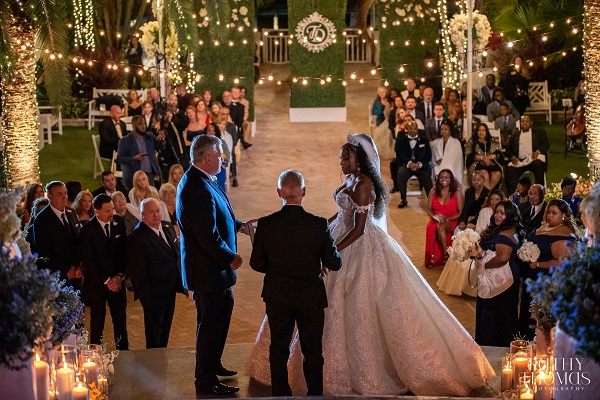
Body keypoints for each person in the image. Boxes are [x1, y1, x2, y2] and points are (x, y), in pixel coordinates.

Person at [247, 133, 493, 396]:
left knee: (360, 304)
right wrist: (324, 228)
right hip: (341, 232)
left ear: (359, 159)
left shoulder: (364, 184)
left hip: (359, 247)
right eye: (341, 157)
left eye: (346, 157)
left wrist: (331, 249)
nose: (341, 161)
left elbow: (360, 229)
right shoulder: (352, 178)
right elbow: (344, 213)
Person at [249, 170, 342, 396]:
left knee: (278, 349)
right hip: (310, 296)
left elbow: (256, 263)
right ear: (304, 192)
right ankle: (314, 395)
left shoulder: (266, 224)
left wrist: (276, 268)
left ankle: (281, 394)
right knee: (312, 351)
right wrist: (318, 260)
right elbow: (335, 263)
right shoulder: (318, 224)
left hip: (278, 296)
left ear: (279, 192)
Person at [177, 134, 255, 395]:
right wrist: (229, 257)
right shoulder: (196, 188)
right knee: (209, 325)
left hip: (214, 272)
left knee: (221, 316)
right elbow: (207, 234)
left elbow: (221, 216)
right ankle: (206, 381)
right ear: (207, 157)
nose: (224, 158)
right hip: (207, 271)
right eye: (220, 154)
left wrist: (240, 226)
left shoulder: (203, 180)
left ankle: (214, 363)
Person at [128, 198, 187, 348]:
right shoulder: (137, 237)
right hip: (153, 295)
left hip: (170, 291)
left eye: (158, 211)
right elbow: (138, 271)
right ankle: (154, 364)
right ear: (142, 215)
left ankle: (162, 360)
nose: (156, 215)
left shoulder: (167, 227)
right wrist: (146, 298)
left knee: (165, 331)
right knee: (154, 335)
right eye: (151, 212)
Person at [518, 199, 579, 340]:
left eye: (554, 213)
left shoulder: (564, 233)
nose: (549, 216)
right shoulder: (545, 227)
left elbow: (561, 263)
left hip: (547, 283)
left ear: (563, 215)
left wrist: (538, 264)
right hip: (533, 279)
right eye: (548, 212)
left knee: (541, 319)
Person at [79, 194, 129, 349]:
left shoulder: (119, 223)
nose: (111, 213)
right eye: (107, 211)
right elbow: (88, 261)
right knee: (97, 323)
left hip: (117, 283)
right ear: (96, 211)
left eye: (112, 209)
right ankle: (95, 354)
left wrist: (120, 276)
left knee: (120, 322)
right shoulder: (87, 230)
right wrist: (108, 281)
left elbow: (124, 253)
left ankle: (124, 352)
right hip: (97, 285)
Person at [469, 200, 520, 347]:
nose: (497, 216)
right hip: (500, 279)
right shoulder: (507, 229)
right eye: (497, 212)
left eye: (502, 213)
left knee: (495, 316)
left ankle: (492, 347)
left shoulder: (506, 234)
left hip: (500, 282)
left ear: (510, 215)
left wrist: (483, 263)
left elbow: (503, 258)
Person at [437, 189, 505, 297]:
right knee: (461, 257)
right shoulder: (484, 211)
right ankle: (458, 287)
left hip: (494, 244)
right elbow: (479, 229)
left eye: (497, 199)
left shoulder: (503, 214)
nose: (494, 202)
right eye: (492, 199)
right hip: (482, 239)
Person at [28, 181, 82, 291]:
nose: (64, 197)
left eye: (65, 193)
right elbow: (42, 252)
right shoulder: (42, 219)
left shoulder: (71, 212)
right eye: (60, 194)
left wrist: (80, 265)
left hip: (76, 275)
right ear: (50, 197)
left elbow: (78, 240)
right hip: (58, 278)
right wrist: (66, 269)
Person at [424, 169, 464, 268]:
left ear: (451, 179)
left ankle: (446, 256)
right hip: (436, 218)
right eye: (441, 177)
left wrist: (447, 219)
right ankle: (432, 258)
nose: (444, 179)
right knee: (431, 226)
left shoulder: (457, 192)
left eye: (447, 177)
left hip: (452, 219)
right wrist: (434, 217)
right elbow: (428, 209)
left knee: (440, 227)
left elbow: (460, 212)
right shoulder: (433, 191)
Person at [116, 115, 165, 190]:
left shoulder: (150, 136)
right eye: (140, 124)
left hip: (149, 174)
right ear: (133, 126)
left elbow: (161, 147)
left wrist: (162, 140)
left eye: (144, 124)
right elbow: (120, 159)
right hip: (134, 176)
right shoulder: (125, 140)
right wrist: (133, 158)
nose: (143, 126)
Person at [505, 115, 549, 195]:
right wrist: (512, 156)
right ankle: (512, 196)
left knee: (538, 165)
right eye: (523, 121)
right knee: (510, 170)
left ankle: (539, 192)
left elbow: (546, 144)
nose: (524, 123)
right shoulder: (515, 135)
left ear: (531, 123)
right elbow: (508, 149)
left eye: (527, 121)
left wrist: (537, 152)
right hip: (520, 161)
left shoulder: (539, 132)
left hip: (533, 159)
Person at [395, 120, 433, 208]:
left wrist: (419, 164)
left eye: (414, 128)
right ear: (406, 129)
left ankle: (431, 201)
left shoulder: (424, 140)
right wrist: (409, 163)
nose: (412, 130)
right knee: (401, 173)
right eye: (410, 128)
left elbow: (428, 156)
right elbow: (399, 155)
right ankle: (403, 198)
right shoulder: (401, 141)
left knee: (427, 177)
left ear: (417, 129)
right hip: (407, 166)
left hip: (421, 167)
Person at [465, 123, 502, 190]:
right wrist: (481, 158)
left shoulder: (493, 141)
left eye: (483, 130)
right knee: (485, 174)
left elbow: (499, 154)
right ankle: (487, 195)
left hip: (491, 164)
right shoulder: (472, 142)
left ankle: (487, 192)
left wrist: (491, 156)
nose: (481, 132)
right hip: (477, 165)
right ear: (476, 131)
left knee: (497, 173)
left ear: (486, 131)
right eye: (479, 130)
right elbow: (469, 156)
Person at [431, 119, 463, 185]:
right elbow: (433, 158)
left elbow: (456, 160)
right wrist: (437, 161)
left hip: (451, 167)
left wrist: (444, 162)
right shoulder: (435, 143)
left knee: (449, 169)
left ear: (450, 131)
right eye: (442, 129)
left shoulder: (456, 143)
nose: (443, 131)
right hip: (438, 166)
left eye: (446, 129)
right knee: (436, 169)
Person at [371, 86, 394, 159]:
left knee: (389, 132)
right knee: (379, 133)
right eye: (380, 92)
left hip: (390, 120)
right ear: (378, 93)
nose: (382, 94)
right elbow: (373, 111)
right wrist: (381, 111)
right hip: (380, 120)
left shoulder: (390, 100)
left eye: (383, 92)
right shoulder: (376, 101)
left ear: (386, 92)